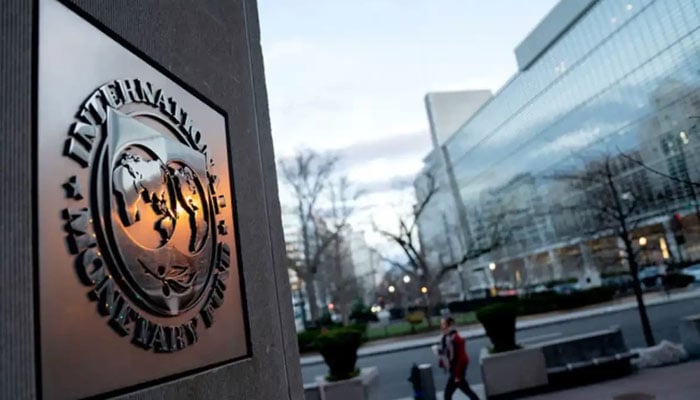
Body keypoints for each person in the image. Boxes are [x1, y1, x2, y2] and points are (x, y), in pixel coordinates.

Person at [438, 316, 480, 400]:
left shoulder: (456, 339)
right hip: (455, 371)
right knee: (465, 390)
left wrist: (457, 375)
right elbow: (446, 354)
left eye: (444, 325)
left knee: (448, 394)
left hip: (457, 370)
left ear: (450, 326)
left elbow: (462, 358)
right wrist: (442, 359)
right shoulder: (446, 338)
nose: (442, 328)